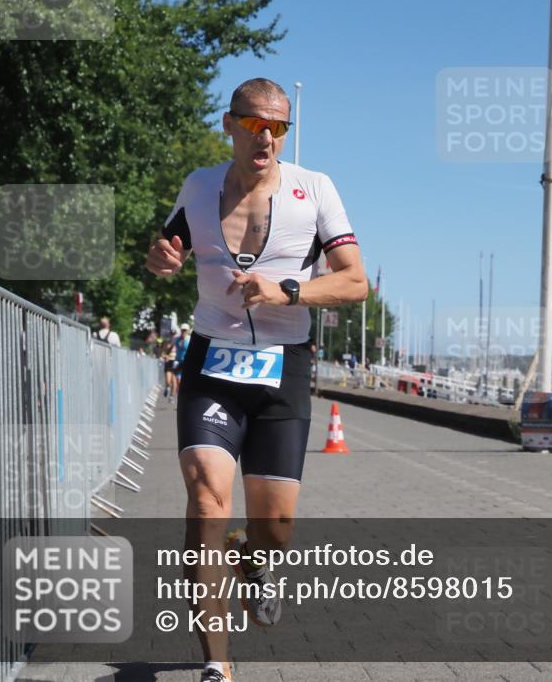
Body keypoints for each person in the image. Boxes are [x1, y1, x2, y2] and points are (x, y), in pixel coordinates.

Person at [145, 77, 367, 682]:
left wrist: (288, 288)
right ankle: (217, 664)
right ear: (230, 125)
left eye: (277, 126)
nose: (265, 136)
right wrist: (160, 258)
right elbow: (165, 247)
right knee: (207, 500)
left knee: (275, 528)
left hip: (283, 366)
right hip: (213, 360)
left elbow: (354, 281)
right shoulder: (198, 187)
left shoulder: (314, 190)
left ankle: (258, 561)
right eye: (252, 124)